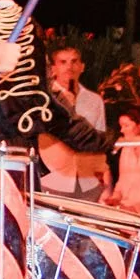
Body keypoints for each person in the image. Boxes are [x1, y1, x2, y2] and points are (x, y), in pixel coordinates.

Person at [44, 47, 110, 201]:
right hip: (53, 180)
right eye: (63, 62)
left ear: (82, 67)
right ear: (53, 68)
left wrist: (104, 179)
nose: (69, 67)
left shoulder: (94, 101)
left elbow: (99, 140)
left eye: (74, 62)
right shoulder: (45, 99)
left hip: (88, 180)